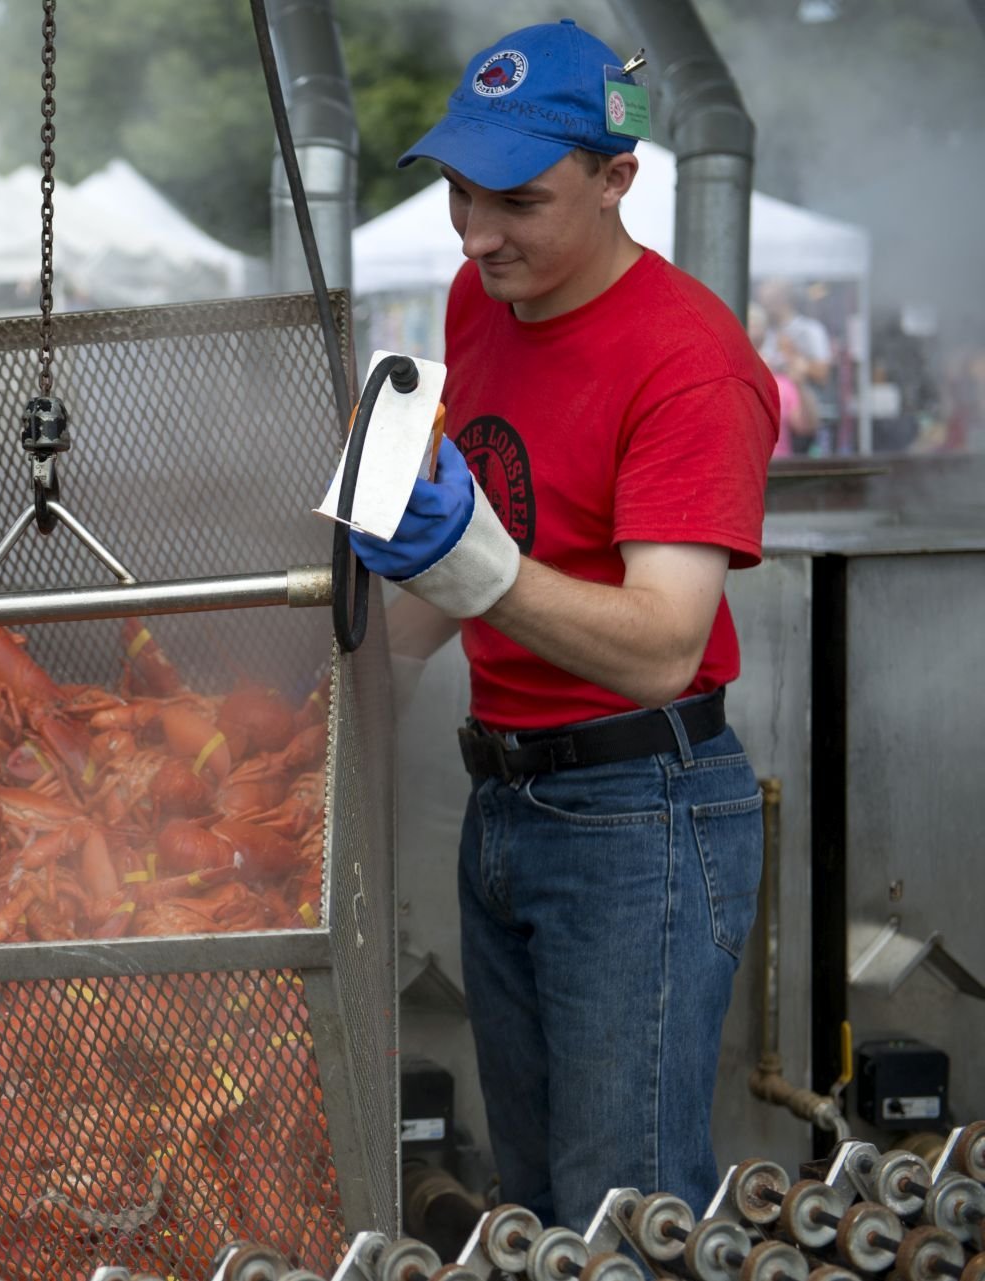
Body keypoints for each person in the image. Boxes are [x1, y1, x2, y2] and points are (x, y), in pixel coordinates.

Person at [349, 19, 779, 1230]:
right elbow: (443, 577)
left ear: (616, 178)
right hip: (507, 802)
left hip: (641, 816)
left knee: (623, 1211)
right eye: (459, 194)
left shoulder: (691, 362)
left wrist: (477, 567)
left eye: (520, 201)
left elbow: (661, 644)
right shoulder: (482, 300)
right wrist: (317, 683)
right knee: (536, 1208)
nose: (479, 233)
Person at [753, 279, 832, 455]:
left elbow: (823, 373)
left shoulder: (810, 330)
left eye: (769, 299)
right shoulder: (765, 332)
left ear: (783, 298)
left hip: (804, 416)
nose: (765, 304)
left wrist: (793, 358)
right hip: (773, 417)